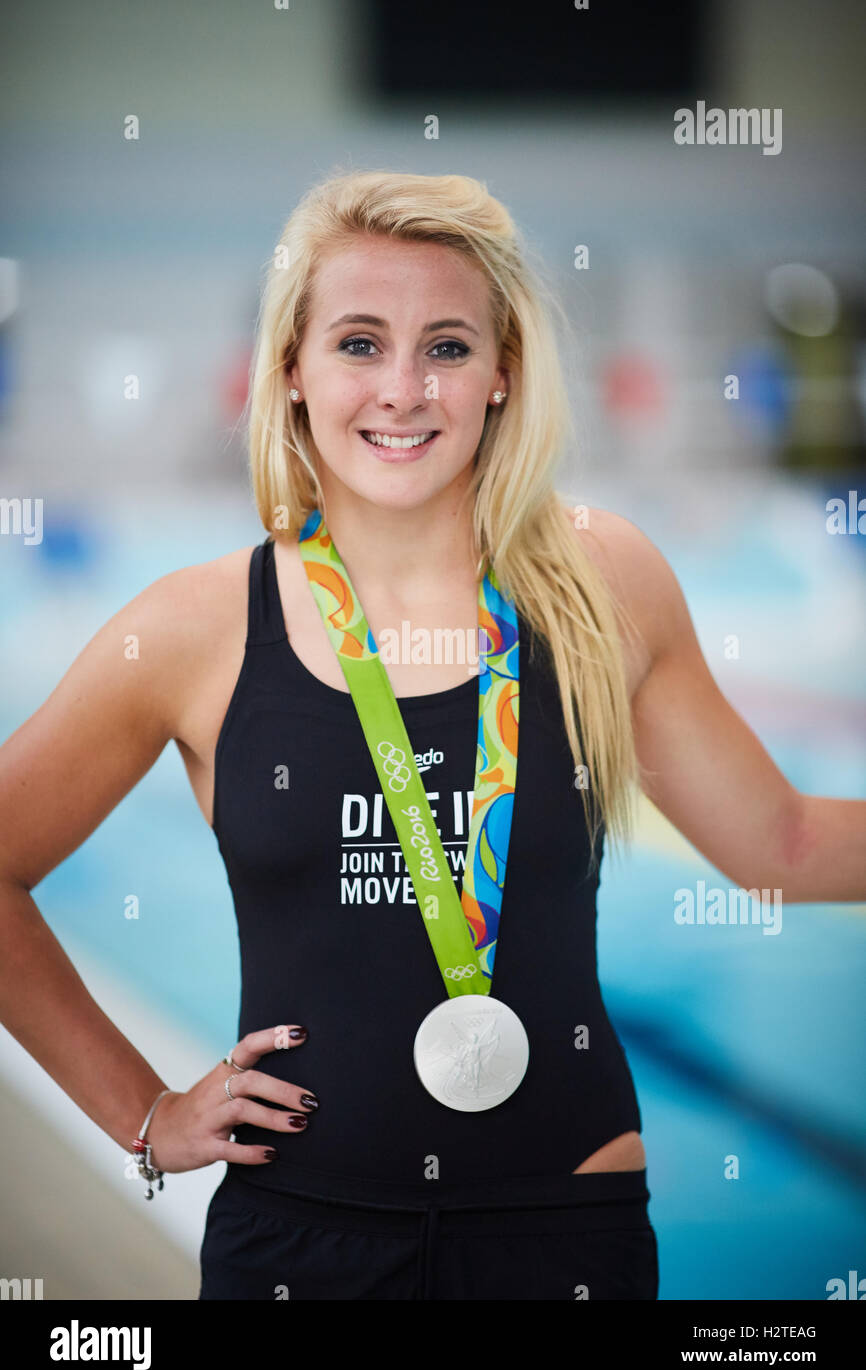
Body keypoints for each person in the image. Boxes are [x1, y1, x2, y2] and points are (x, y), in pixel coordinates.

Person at [1, 170, 863, 1303]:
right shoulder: (194, 628)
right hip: (297, 1241)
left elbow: (781, 842)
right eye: (359, 343)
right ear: (292, 373)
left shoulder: (601, 583)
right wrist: (145, 1112)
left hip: (565, 1227)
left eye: (446, 347)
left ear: (503, 371)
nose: (403, 390)